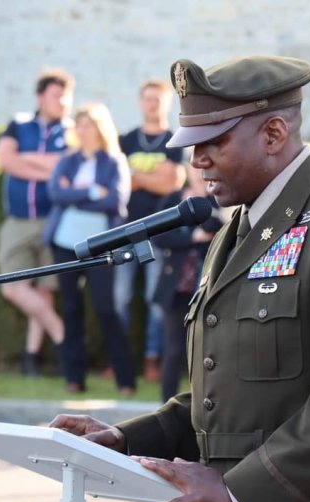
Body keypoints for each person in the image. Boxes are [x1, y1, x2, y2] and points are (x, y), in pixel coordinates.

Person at [51, 55, 310, 502]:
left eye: (212, 142)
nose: (196, 159)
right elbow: (232, 394)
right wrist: (129, 438)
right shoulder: (236, 230)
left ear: (273, 135)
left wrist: (239, 490)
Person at [43, 102, 136, 395]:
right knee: (70, 309)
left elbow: (115, 201)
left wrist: (75, 194)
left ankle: (125, 379)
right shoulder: (68, 160)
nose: (82, 131)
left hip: (99, 245)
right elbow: (56, 193)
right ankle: (74, 378)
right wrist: (93, 191)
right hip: (64, 243)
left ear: (100, 129)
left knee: (106, 308)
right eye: (79, 125)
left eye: (88, 125)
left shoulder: (114, 161)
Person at [0, 68, 72, 376]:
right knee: (12, 288)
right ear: (41, 96)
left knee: (44, 291)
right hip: (18, 220)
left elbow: (65, 164)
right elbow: (6, 160)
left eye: (67, 95)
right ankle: (63, 335)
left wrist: (25, 161)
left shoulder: (72, 130)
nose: (63, 101)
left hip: (55, 220)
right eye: (57, 95)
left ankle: (32, 356)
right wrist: (49, 170)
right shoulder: (19, 124)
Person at [116, 79, 186, 382]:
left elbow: (172, 182)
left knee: (154, 301)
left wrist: (137, 176)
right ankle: (121, 361)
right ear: (140, 102)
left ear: (168, 103)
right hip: (125, 230)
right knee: (120, 298)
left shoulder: (175, 141)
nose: (152, 104)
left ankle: (152, 358)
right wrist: (153, 176)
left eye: (158, 99)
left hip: (159, 231)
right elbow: (120, 182)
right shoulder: (126, 140)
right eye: (147, 99)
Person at [152, 167, 222, 401]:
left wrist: (206, 203)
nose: (200, 172)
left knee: (207, 349)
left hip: (207, 284)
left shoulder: (219, 200)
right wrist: (191, 238)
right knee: (173, 348)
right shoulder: (174, 199)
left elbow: (218, 229)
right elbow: (158, 235)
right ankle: (166, 403)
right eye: (196, 167)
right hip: (177, 285)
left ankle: (204, 403)